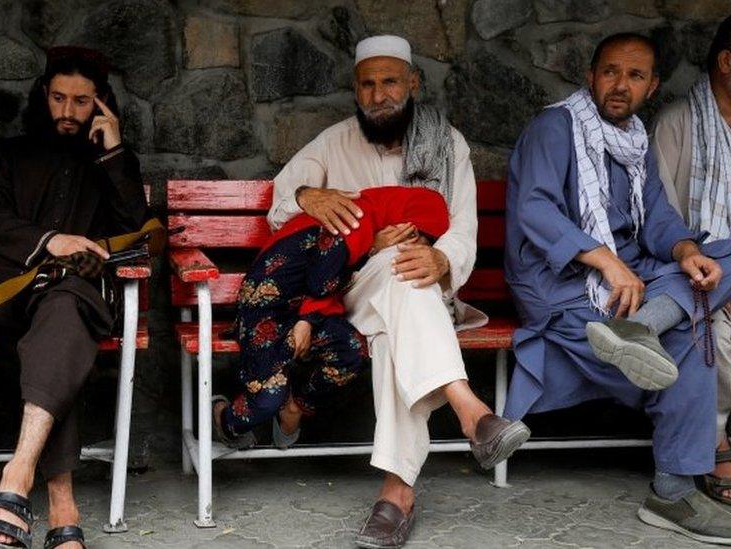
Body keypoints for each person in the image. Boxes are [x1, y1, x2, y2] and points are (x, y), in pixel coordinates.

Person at [269, 35, 530, 548]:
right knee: (392, 265)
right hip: (349, 289)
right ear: (355, 89)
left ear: (412, 83)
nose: (378, 93)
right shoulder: (333, 142)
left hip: (422, 292)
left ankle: (397, 493)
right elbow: (282, 204)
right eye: (367, 84)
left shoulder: (447, 142)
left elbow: (463, 229)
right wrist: (308, 195)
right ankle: (470, 410)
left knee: (396, 325)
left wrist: (441, 258)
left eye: (390, 81)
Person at [505, 32, 731, 543]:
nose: (619, 85)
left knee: (719, 258)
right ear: (590, 76)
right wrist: (607, 262)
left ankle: (640, 329)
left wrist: (686, 252)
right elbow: (535, 210)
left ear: (652, 87)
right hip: (561, 286)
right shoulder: (554, 127)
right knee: (692, 338)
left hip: (635, 283)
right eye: (610, 72)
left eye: (634, 76)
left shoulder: (635, 140)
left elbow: (658, 221)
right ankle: (674, 491)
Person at [0, 46, 148, 549]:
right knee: (58, 333)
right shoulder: (9, 155)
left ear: (102, 103)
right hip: (15, 297)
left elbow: (136, 233)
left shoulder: (113, 160)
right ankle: (59, 500)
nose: (68, 112)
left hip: (86, 296)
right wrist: (54, 241)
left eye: (81, 101)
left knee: (66, 309)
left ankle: (17, 478)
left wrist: (114, 154)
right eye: (58, 98)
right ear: (42, 95)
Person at [214, 186, 450, 451]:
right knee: (268, 399)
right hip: (268, 308)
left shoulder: (371, 229)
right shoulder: (351, 219)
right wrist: (305, 322)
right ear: (410, 229)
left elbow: (330, 280)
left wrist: (372, 249)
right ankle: (224, 419)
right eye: (421, 241)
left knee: (351, 351)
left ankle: (295, 407)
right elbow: (321, 280)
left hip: (309, 311)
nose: (419, 251)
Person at [652, 15, 731, 505]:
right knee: (715, 328)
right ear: (726, 62)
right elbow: (663, 218)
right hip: (695, 273)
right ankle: (715, 441)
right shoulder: (677, 123)